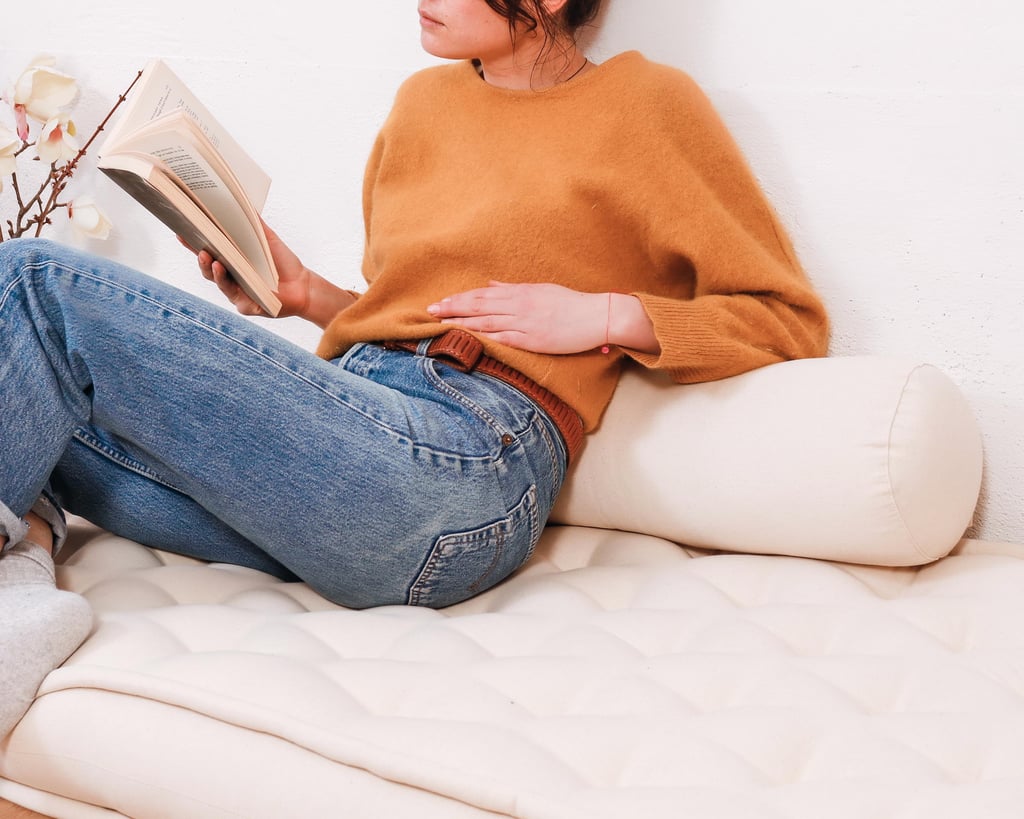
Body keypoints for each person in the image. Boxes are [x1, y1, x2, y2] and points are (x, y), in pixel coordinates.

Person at [0, 0, 829, 737]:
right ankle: (23, 577)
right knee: (36, 390)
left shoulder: (648, 104)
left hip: (468, 468)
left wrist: (603, 315)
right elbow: (413, 317)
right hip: (365, 436)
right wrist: (307, 293)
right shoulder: (422, 103)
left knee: (32, 278)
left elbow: (786, 318)